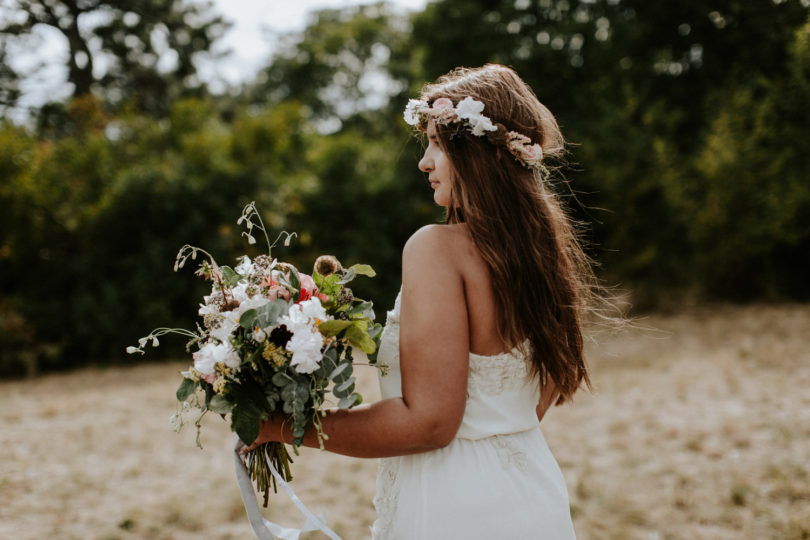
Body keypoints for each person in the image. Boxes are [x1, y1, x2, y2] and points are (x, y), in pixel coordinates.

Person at [245, 64, 595, 539]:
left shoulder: (436, 248)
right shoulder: (545, 255)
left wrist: (278, 427)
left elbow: (429, 423)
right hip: (532, 492)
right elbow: (524, 407)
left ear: (476, 151)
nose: (424, 162)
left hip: (453, 507)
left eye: (436, 143)